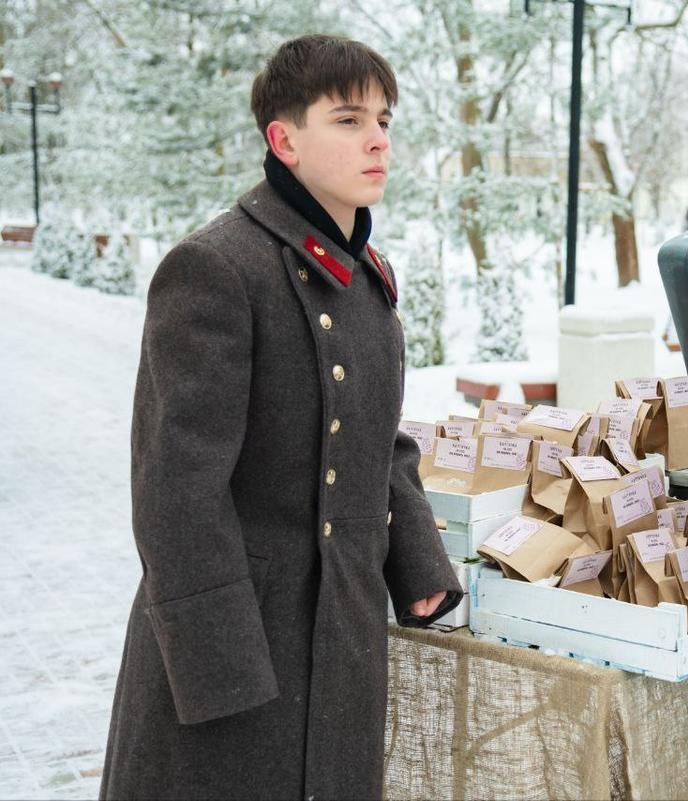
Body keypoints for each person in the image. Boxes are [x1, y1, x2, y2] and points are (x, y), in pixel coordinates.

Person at [100, 35, 463, 799]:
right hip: (238, 654)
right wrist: (225, 670)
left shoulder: (366, 275)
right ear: (283, 138)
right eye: (348, 119)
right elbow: (176, 491)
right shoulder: (216, 268)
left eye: (385, 120)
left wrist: (419, 565)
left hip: (341, 640)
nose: (377, 139)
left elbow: (378, 434)